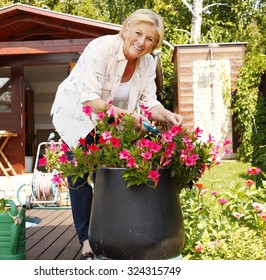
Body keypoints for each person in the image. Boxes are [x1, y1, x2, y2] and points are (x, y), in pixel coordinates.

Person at [50, 9, 183, 259]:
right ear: (125, 30)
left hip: (111, 122)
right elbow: (90, 100)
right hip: (76, 116)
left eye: (150, 39)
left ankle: (110, 233)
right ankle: (87, 239)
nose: (142, 42)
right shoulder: (101, 48)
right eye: (138, 33)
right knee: (79, 175)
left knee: (111, 175)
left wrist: (167, 116)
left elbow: (148, 102)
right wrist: (131, 118)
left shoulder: (148, 63)